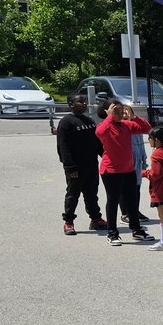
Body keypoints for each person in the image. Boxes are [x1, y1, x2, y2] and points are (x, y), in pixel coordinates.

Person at [95, 100, 153, 247]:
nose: (120, 114)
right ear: (108, 112)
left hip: (128, 170)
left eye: (121, 111)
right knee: (113, 201)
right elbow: (99, 133)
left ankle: (136, 230)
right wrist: (110, 116)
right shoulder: (105, 126)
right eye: (117, 112)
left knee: (131, 201)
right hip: (111, 171)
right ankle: (112, 233)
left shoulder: (126, 125)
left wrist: (133, 117)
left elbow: (147, 128)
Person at [56, 93, 106, 235]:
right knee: (73, 194)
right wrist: (69, 166)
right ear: (71, 104)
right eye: (80, 102)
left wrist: (105, 156)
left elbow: (97, 143)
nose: (84, 104)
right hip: (75, 167)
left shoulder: (89, 121)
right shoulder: (66, 122)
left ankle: (96, 219)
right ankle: (69, 222)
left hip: (91, 165)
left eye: (84, 102)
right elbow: (63, 146)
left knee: (92, 194)